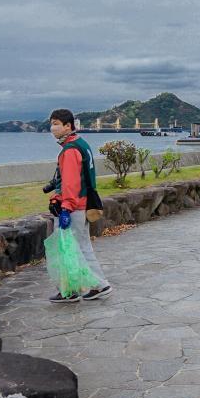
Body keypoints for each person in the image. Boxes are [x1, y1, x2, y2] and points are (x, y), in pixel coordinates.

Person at [48, 109, 113, 303]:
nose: (52, 128)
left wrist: (66, 208)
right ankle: (97, 286)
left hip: (73, 206)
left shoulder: (70, 150)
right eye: (51, 124)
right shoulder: (81, 144)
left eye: (56, 124)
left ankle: (72, 290)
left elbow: (71, 182)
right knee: (82, 247)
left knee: (67, 249)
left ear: (68, 126)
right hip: (84, 203)